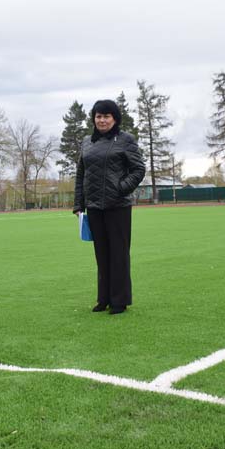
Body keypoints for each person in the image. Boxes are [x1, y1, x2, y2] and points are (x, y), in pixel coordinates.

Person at [73, 99, 146, 314]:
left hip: (118, 206)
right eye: (98, 116)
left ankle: (119, 300)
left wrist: (121, 188)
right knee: (102, 254)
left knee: (119, 254)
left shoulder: (125, 140)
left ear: (115, 119)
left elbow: (139, 169)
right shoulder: (87, 142)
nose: (102, 120)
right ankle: (103, 298)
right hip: (94, 207)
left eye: (106, 116)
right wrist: (79, 204)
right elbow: (81, 174)